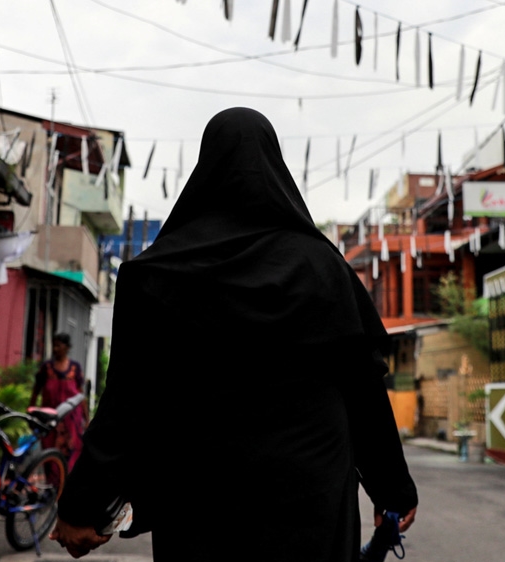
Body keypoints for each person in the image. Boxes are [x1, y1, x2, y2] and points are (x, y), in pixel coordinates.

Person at [50, 107, 418, 561]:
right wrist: (392, 489)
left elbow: (129, 401)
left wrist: (82, 505)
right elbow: (362, 390)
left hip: (202, 501)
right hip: (312, 497)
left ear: (207, 167)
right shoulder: (324, 269)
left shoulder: (159, 273)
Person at [30, 333, 86, 471]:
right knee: (49, 450)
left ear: (67, 347)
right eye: (54, 345)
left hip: (71, 419)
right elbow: (36, 390)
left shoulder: (75, 368)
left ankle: (68, 480)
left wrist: (86, 418)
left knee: (72, 450)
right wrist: (31, 410)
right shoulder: (46, 367)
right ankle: (53, 482)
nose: (55, 349)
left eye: (58, 346)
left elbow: (81, 394)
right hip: (50, 417)